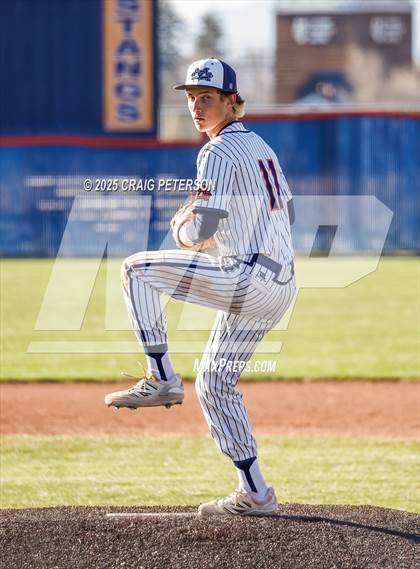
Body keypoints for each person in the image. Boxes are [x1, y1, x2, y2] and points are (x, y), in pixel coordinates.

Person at [105, 58, 296, 516]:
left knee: (135, 270)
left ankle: (161, 378)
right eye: (192, 97)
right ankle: (256, 492)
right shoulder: (260, 146)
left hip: (248, 277)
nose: (196, 106)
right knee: (213, 383)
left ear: (231, 101)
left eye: (206, 97)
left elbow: (201, 232)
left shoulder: (216, 152)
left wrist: (182, 227)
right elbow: (286, 212)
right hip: (280, 283)